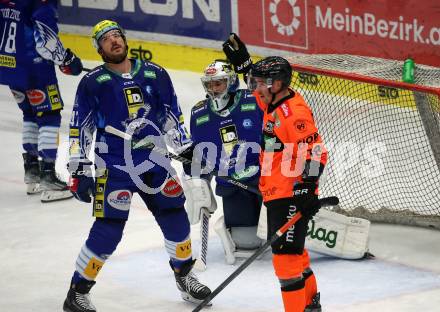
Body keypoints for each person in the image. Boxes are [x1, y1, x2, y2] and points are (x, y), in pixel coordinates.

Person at [63, 20, 211, 312]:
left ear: (125, 39)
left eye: (117, 35)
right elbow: (80, 128)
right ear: (99, 48)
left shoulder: (155, 74)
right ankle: (77, 292)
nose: (114, 41)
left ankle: (184, 276)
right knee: (109, 228)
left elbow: (171, 116)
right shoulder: (93, 83)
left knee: (174, 215)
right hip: (113, 164)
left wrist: (185, 149)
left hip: (154, 160)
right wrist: (78, 170)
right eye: (106, 39)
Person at [223, 34, 328, 312]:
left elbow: (316, 152)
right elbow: (258, 94)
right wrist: (245, 65)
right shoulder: (272, 103)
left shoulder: (294, 114)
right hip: (278, 191)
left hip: (291, 193)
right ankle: (310, 306)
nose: (254, 86)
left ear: (277, 84)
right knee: (295, 256)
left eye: (259, 81)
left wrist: (306, 187)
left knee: (285, 261)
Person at [180, 60, 264, 264]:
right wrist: (197, 178)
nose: (213, 89)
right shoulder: (199, 113)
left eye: (218, 83)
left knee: (281, 233)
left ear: (232, 82)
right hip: (232, 184)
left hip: (265, 176)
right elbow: (199, 158)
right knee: (248, 242)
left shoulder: (253, 101)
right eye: (209, 84)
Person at [0, 0, 83, 202]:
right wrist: (67, 60)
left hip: (9, 66)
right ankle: (48, 176)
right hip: (34, 69)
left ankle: (32, 172)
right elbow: (46, 41)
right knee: (49, 115)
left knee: (29, 113)